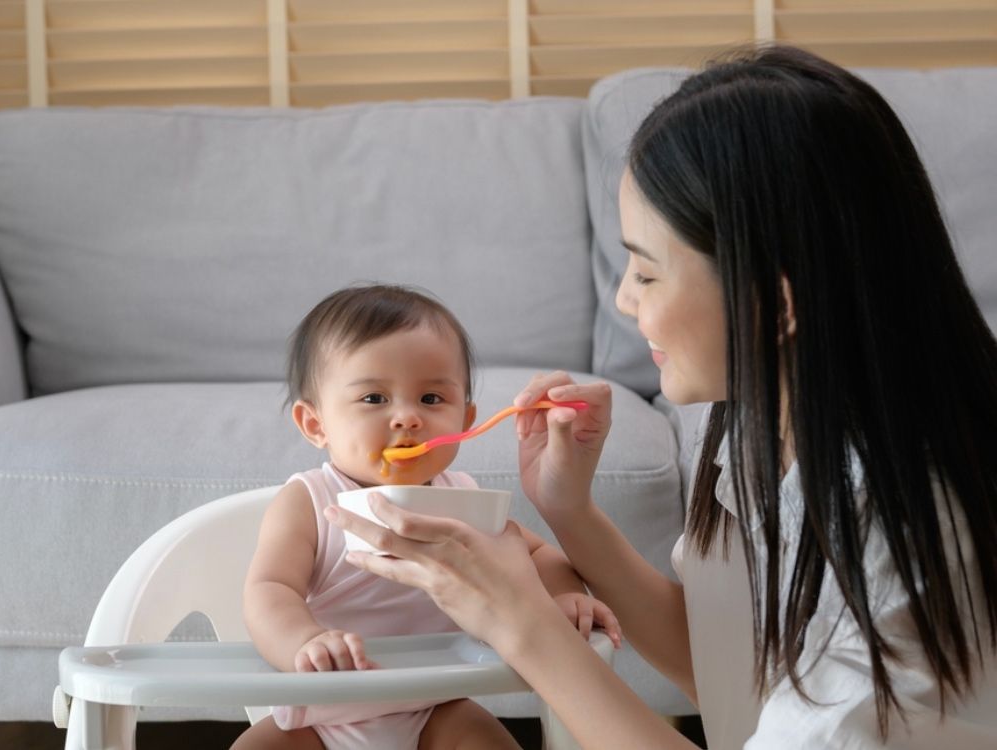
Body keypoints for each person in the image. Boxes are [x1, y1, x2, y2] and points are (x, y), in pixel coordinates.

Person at [327, 46, 997, 748]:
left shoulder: (905, 534)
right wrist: (568, 509)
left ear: (774, 302)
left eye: (646, 273)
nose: (623, 299)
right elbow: (733, 670)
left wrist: (519, 623)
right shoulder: (768, 424)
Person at [232, 284, 621, 750]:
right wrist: (304, 642)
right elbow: (269, 589)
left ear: (465, 419)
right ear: (316, 424)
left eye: (432, 399)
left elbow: (535, 554)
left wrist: (563, 597)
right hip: (323, 714)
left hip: (435, 708)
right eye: (374, 399)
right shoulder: (310, 500)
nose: (407, 418)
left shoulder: (462, 498)